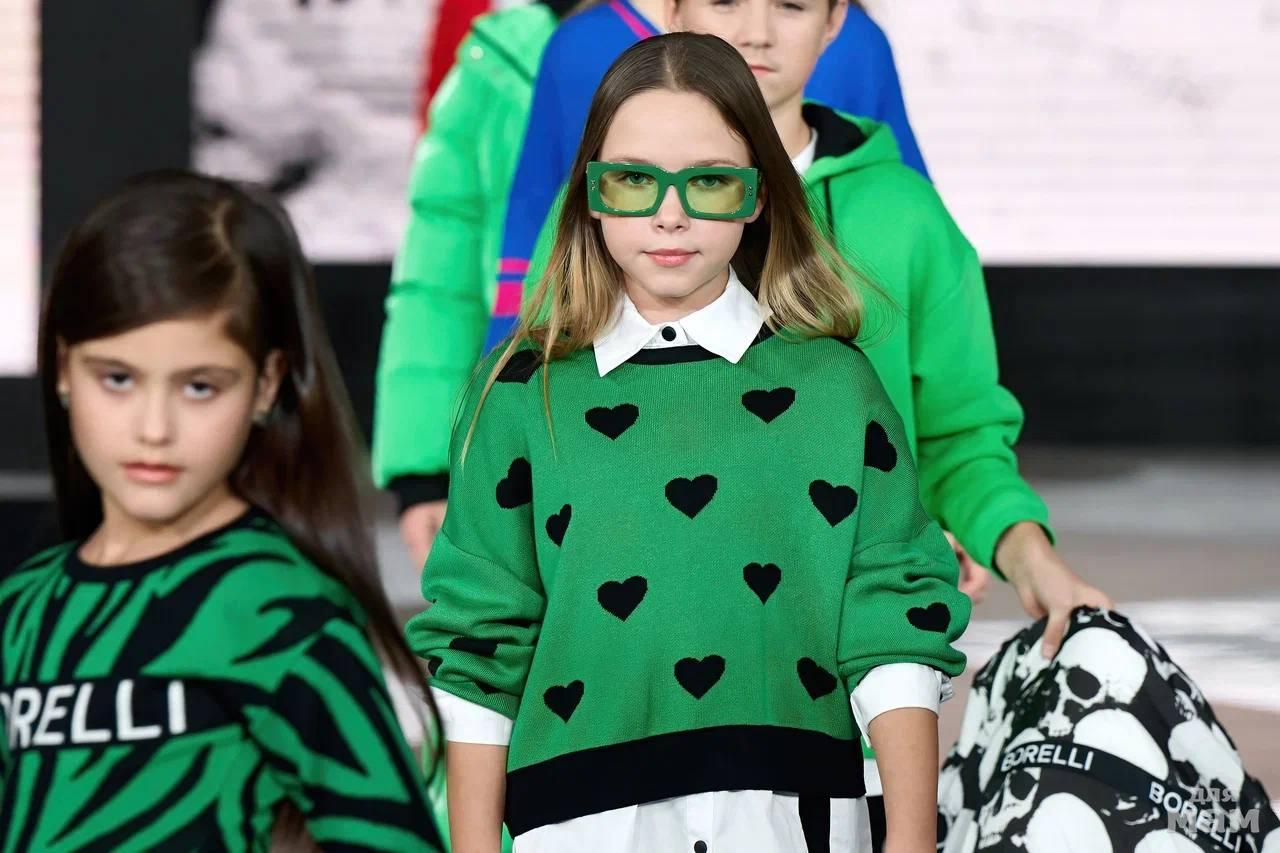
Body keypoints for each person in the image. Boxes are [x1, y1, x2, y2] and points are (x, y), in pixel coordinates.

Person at [407, 33, 971, 852]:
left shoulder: (835, 388)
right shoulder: (521, 396)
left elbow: (893, 616)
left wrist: (911, 841)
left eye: (708, 180)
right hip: (576, 825)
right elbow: (479, 642)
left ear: (758, 196)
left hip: (795, 818)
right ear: (591, 194)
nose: (669, 214)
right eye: (633, 179)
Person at [0, 172, 444, 852]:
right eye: (117, 378)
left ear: (266, 384)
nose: (154, 428)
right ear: (63, 369)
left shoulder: (280, 612)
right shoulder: (20, 613)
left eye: (200, 387)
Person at [482, 0, 927, 352]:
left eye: (790, 5)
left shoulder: (899, 202)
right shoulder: (580, 48)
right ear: (672, 12)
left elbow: (955, 417)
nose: (757, 35)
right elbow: (530, 228)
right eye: (725, 1)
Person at [374, 0, 586, 572]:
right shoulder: (497, 57)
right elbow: (441, 279)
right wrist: (424, 472)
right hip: (521, 440)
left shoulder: (740, 39)